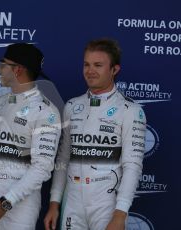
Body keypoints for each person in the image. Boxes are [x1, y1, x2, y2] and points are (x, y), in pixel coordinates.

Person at [44, 38, 147, 230]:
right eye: (86, 64)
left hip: (106, 203)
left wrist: (120, 213)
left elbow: (132, 166)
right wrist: (54, 203)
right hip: (72, 201)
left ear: (115, 69)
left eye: (98, 65)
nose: (90, 71)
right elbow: (63, 159)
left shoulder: (130, 111)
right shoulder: (72, 106)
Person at [0, 43, 61, 229]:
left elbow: (42, 168)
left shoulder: (46, 112)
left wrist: (5, 203)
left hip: (20, 203)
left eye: (3, 64)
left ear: (17, 70)